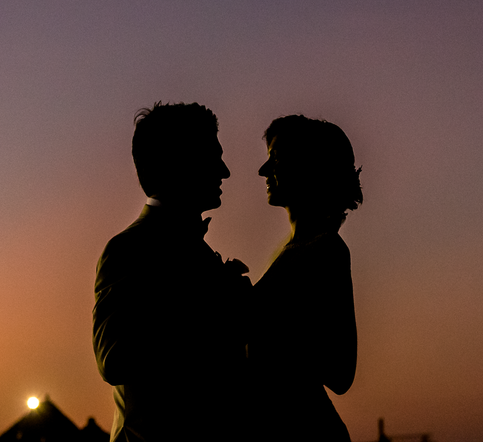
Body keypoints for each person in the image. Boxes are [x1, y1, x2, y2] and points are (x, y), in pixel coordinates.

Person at [93, 102, 251, 442]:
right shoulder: (129, 248)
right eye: (213, 156)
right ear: (180, 162)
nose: (224, 171)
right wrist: (216, 305)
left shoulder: (198, 250)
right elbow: (113, 358)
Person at [249, 114, 363, 442]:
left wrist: (255, 313)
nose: (264, 170)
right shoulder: (291, 250)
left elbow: (341, 372)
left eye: (277, 159)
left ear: (310, 167)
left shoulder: (327, 250)